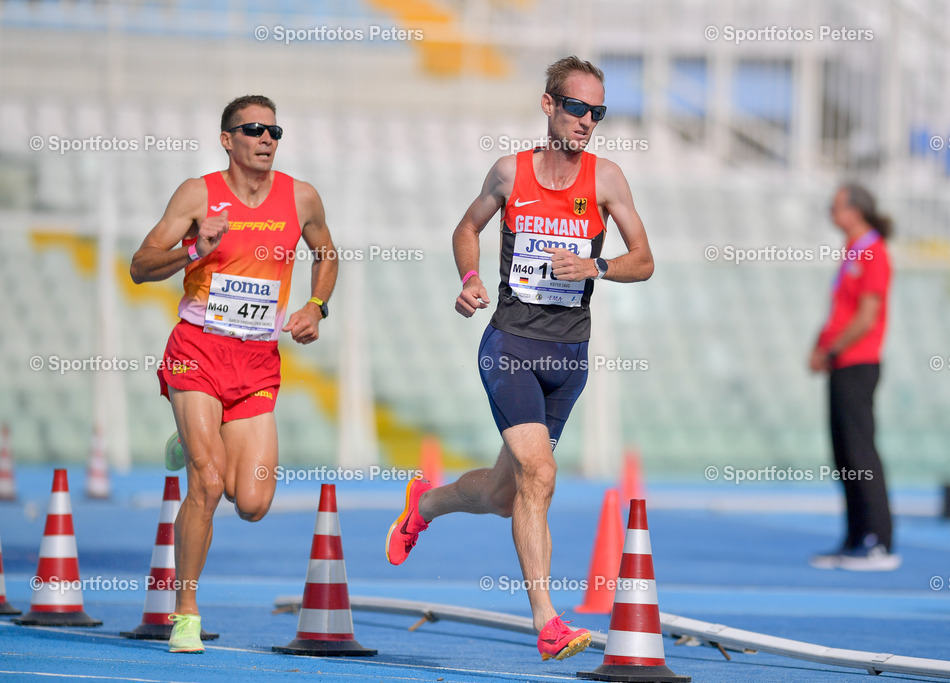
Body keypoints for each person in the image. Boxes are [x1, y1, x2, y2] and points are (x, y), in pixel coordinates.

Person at [385, 56, 654, 662]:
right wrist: (469, 276)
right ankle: (547, 620)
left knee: (508, 494)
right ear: (549, 105)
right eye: (578, 108)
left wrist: (599, 266)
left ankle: (424, 504)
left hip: (570, 355)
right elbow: (465, 226)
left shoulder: (607, 179)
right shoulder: (509, 173)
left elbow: (644, 259)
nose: (587, 122)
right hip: (510, 344)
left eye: (598, 112)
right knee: (541, 476)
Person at [130, 95, 338, 652]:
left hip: (256, 359)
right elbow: (140, 266)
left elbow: (327, 252)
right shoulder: (198, 193)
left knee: (251, 503)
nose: (267, 139)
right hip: (197, 349)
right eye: (253, 130)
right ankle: (186, 612)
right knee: (208, 481)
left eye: (275, 130)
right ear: (228, 139)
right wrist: (193, 248)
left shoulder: (301, 196)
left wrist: (316, 307)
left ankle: (192, 433)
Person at [809, 182, 898, 571]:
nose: (831, 213)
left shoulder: (873, 252)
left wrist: (830, 349)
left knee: (861, 452)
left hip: (858, 363)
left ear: (855, 211)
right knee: (845, 454)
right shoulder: (854, 251)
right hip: (842, 363)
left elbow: (866, 316)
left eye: (836, 206)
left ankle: (879, 540)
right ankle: (855, 537)